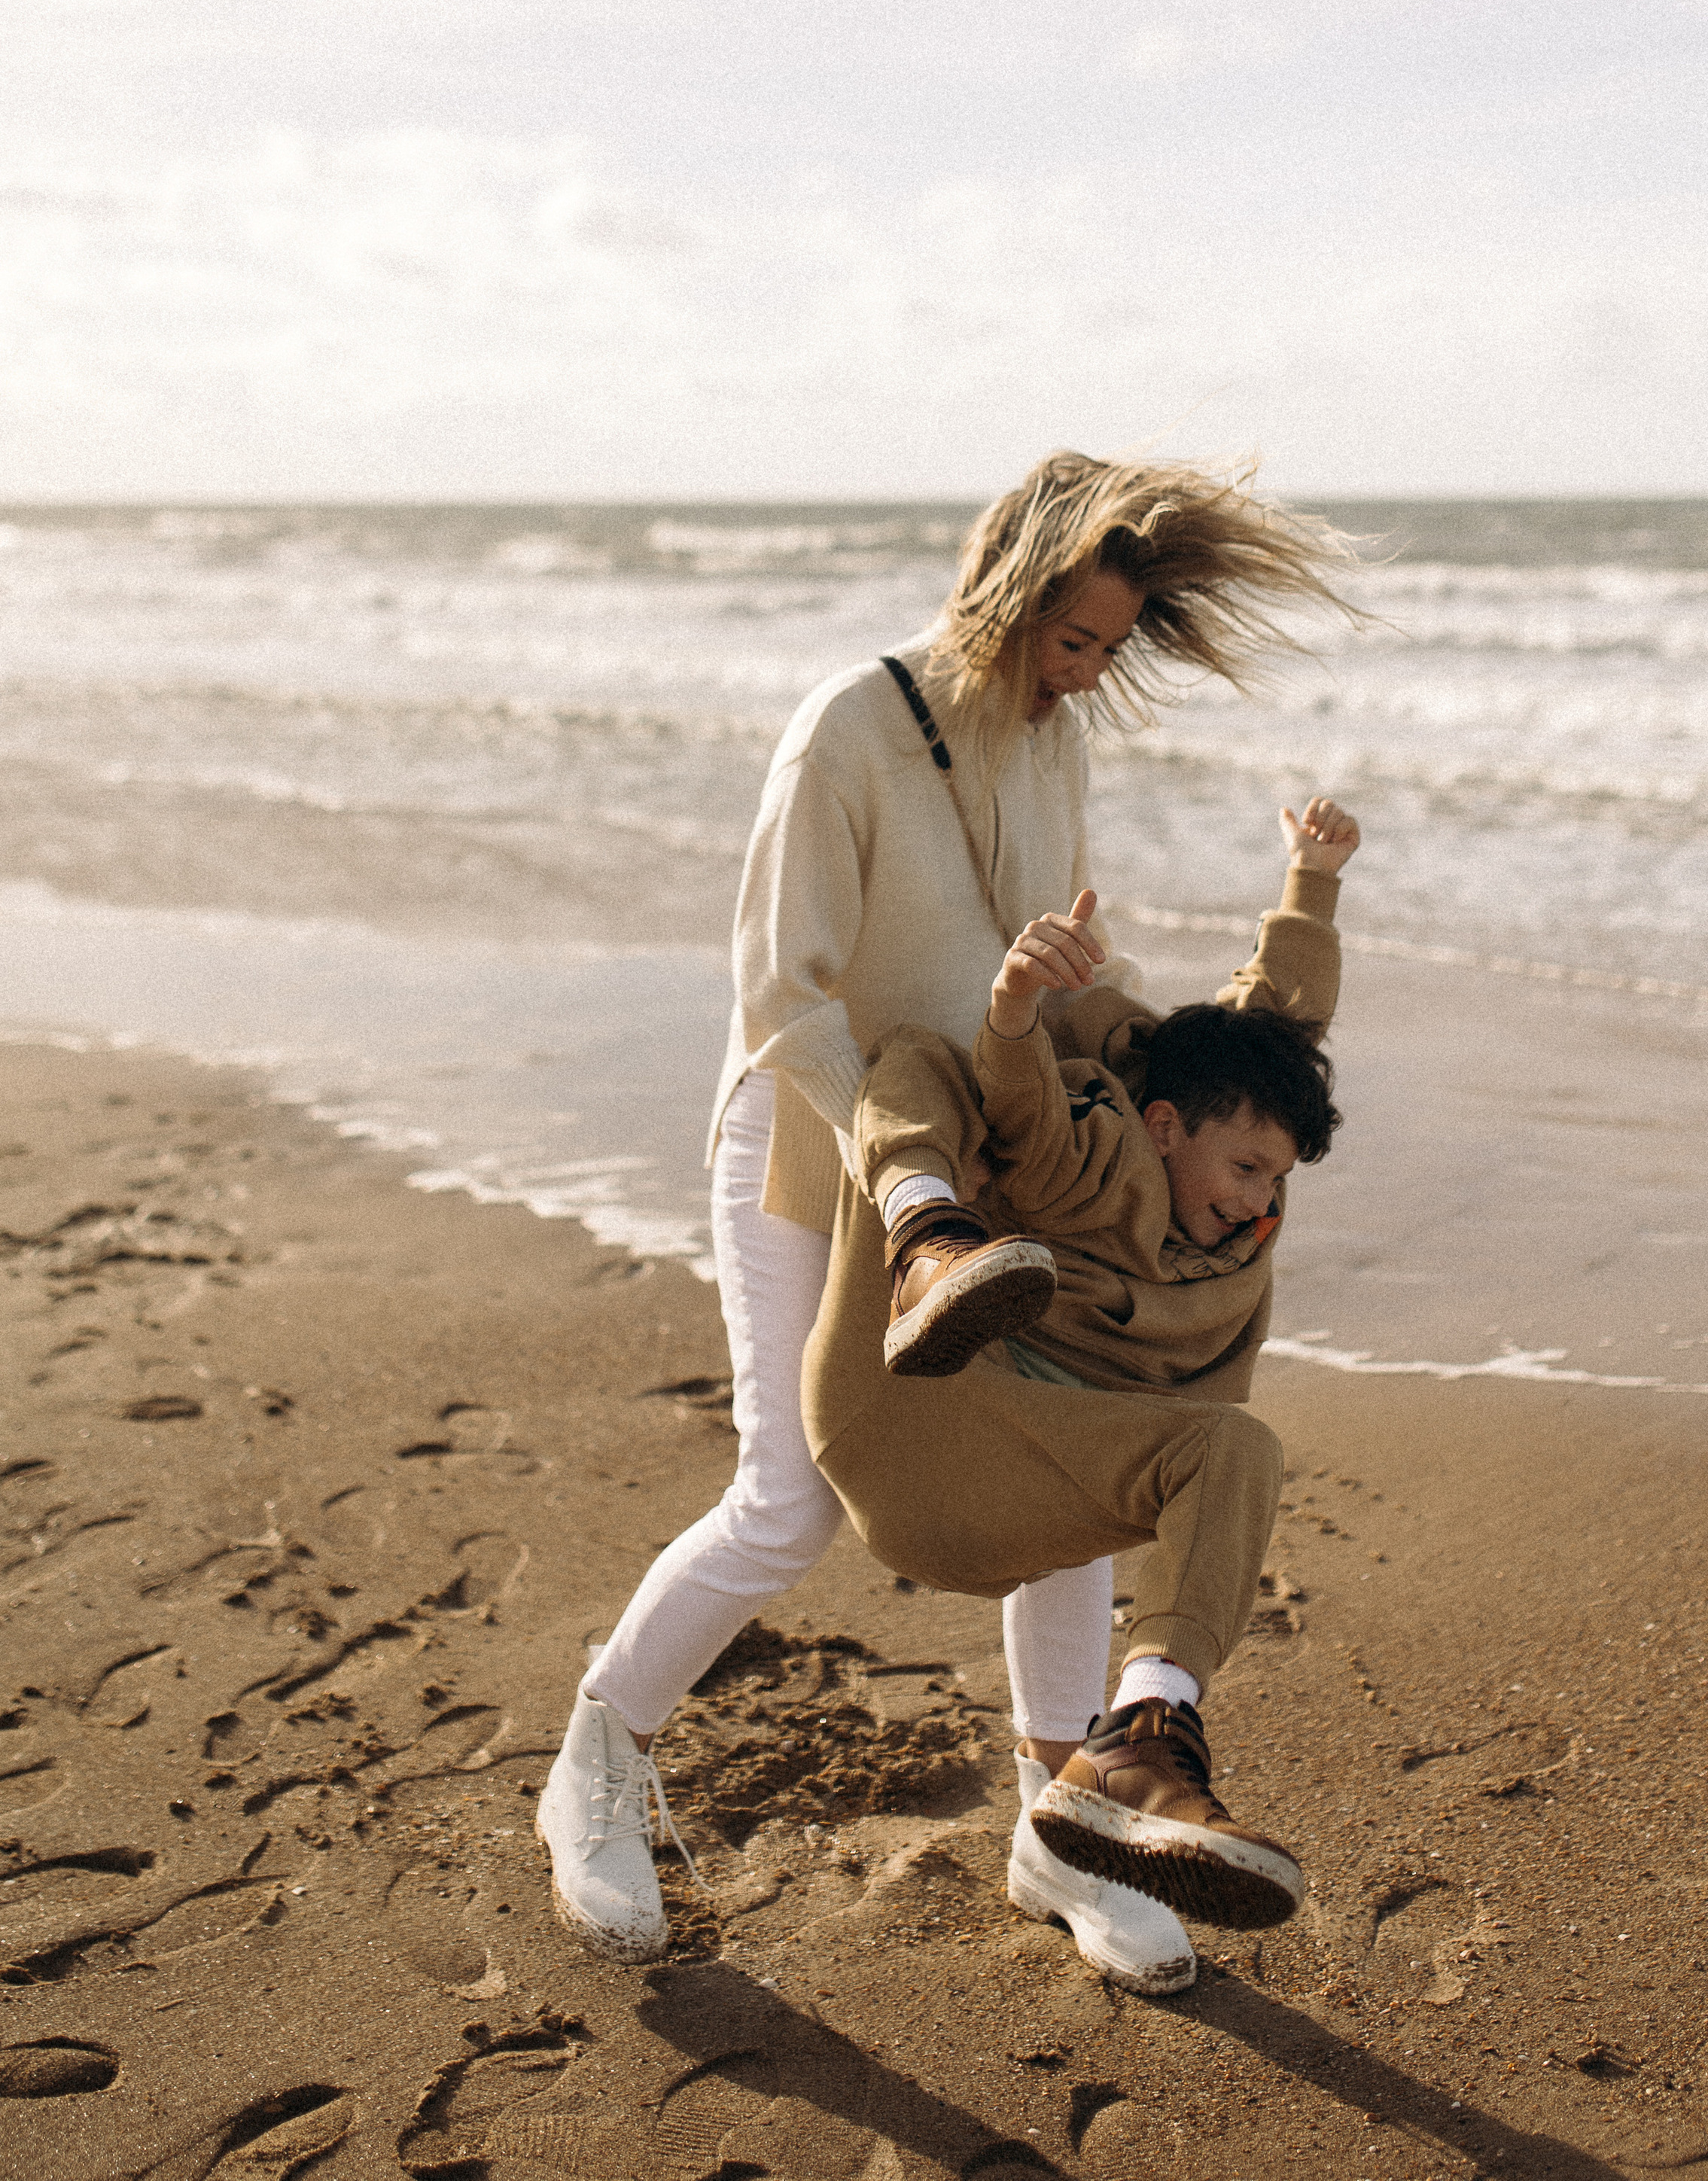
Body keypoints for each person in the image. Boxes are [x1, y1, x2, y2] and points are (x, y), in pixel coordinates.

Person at [537, 452, 1353, 1987]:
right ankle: (594, 1765)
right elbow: (781, 996)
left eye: (1110, 648)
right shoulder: (847, 727)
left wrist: (1176, 1057)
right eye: (1072, 638)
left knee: (1070, 1461)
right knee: (786, 1502)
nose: (1086, 672)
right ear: (1005, 589)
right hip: (813, 1131)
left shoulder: (1054, 745)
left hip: (983, 1143)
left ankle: (1056, 1829)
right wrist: (906, 1184)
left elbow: (1049, 958)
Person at [805, 797, 1357, 1969]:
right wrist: (1013, 1006)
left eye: (1278, 1178)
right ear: (1163, 1127)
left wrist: (1313, 875)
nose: (1260, 1202)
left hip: (1067, 1449)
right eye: (1247, 1169)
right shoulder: (1106, 1154)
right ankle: (928, 1241)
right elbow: (1027, 1112)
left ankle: (1141, 1741)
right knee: (919, 1056)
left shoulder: (1231, 1148)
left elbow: (1284, 1011)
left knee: (1238, 1451)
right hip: (932, 1441)